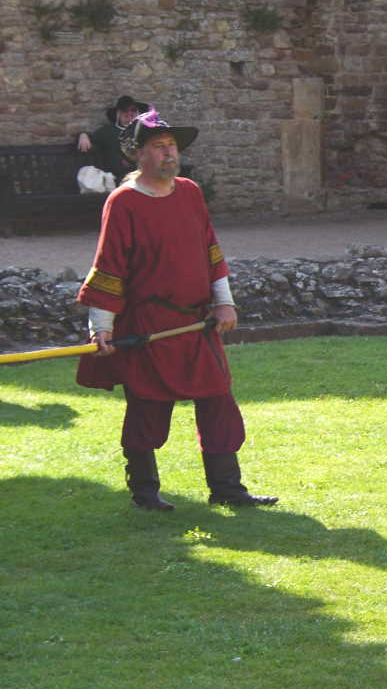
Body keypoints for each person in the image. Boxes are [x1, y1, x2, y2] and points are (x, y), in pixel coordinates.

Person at [75, 107, 277, 511]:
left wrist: (224, 302)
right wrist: (102, 328)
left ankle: (227, 489)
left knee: (218, 400)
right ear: (138, 155)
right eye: (159, 147)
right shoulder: (123, 202)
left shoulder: (189, 191)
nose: (170, 154)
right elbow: (108, 266)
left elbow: (210, 251)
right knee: (148, 405)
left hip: (195, 322)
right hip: (149, 325)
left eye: (172, 147)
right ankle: (145, 492)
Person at [77, 95, 147, 181]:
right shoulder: (107, 131)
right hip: (119, 178)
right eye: (125, 111)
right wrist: (83, 135)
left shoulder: (145, 130)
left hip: (144, 176)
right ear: (118, 114)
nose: (129, 114)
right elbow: (90, 141)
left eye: (133, 111)